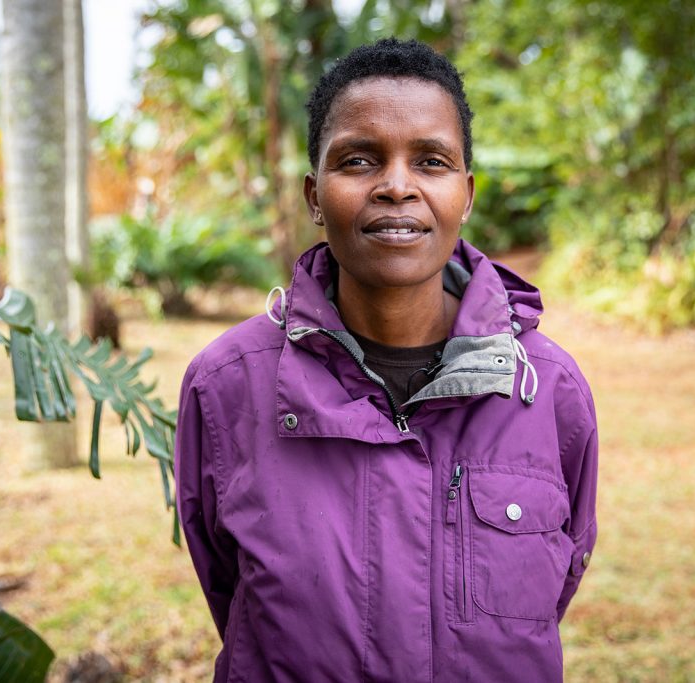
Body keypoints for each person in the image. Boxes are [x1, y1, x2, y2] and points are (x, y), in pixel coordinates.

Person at [175, 38, 598, 682]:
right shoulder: (226, 386)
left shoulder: (545, 389)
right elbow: (230, 590)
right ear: (315, 196)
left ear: (467, 193)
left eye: (431, 161)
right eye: (359, 160)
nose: (396, 186)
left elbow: (557, 586)